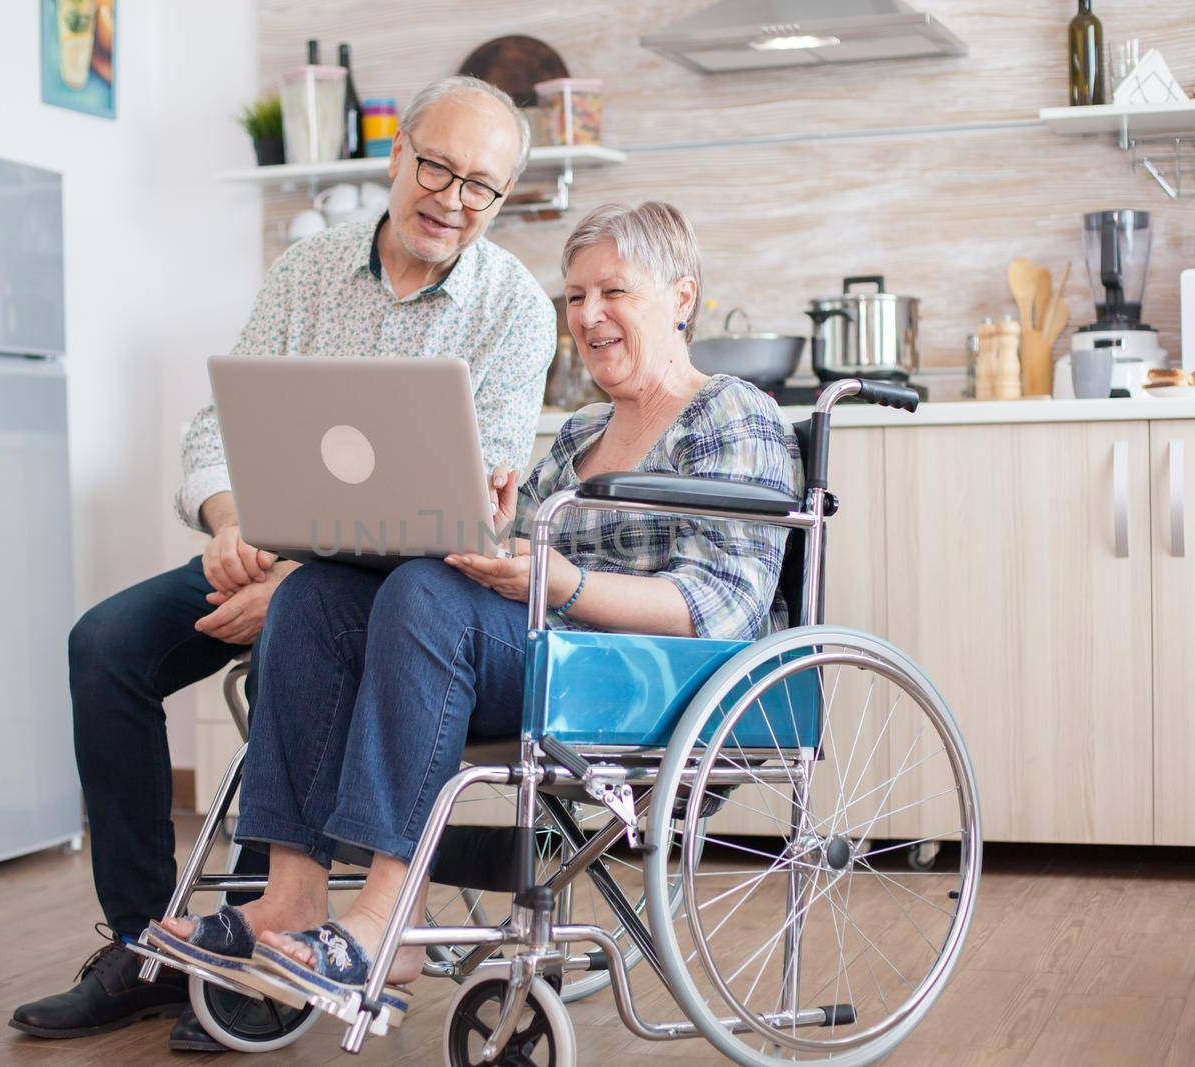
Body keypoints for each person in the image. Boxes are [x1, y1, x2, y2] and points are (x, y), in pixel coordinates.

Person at [148, 202, 802, 1028]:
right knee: (316, 599)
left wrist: (561, 582)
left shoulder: (732, 412)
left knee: (427, 601)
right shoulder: (578, 437)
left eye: (613, 292)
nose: (589, 317)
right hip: (550, 659)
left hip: (656, 677)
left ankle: (389, 919)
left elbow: (723, 607)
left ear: (681, 298)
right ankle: (290, 895)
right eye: (574, 297)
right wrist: (478, 523)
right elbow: (509, 562)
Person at [9, 76, 556, 1049]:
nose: (451, 198)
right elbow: (221, 421)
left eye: (482, 185)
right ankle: (142, 945)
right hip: (268, 552)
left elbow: (480, 499)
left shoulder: (514, 307)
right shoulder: (307, 273)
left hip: (390, 580)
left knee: (309, 624)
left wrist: (300, 572)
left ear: (502, 197)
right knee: (106, 646)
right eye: (436, 165)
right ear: (395, 156)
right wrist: (227, 520)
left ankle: (276, 949)